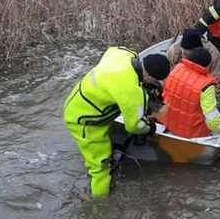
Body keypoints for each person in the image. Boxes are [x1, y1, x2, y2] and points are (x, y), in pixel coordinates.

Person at [63, 47, 170, 197]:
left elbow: (112, 49)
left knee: (94, 155)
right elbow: (135, 126)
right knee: (102, 167)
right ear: (148, 75)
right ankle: (100, 203)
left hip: (78, 100)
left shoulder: (125, 55)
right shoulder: (131, 90)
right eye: (155, 80)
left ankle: (90, 165)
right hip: (84, 121)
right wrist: (149, 127)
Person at [160, 47, 220, 138]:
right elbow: (212, 121)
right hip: (192, 132)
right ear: (207, 65)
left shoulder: (176, 69)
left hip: (167, 122)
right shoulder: (206, 86)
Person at [166, 28, 220, 114]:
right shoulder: (173, 52)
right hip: (181, 92)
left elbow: (219, 83)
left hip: (203, 92)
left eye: (188, 53)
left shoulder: (213, 55)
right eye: (183, 51)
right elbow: (166, 77)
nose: (184, 55)